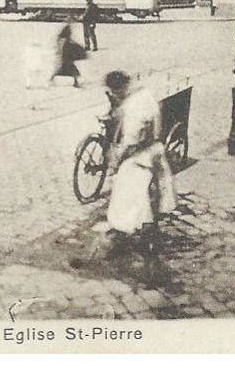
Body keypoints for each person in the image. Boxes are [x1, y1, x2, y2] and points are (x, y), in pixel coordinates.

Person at [103, 70, 177, 262]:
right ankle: (147, 237)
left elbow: (132, 141)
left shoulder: (133, 109)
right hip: (155, 153)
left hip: (140, 159)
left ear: (117, 90)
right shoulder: (144, 95)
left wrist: (117, 160)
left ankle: (134, 241)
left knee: (127, 199)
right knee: (149, 200)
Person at [50, 23, 85, 88]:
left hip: (66, 55)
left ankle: (52, 79)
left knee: (62, 69)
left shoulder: (64, 37)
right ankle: (76, 83)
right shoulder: (66, 35)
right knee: (71, 69)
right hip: (66, 55)